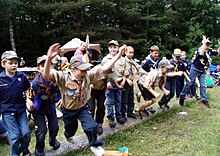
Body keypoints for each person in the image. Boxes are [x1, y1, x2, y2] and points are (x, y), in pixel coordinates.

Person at [42, 43, 127, 155]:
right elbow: (46, 76)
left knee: (91, 126)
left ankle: (94, 145)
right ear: (73, 69)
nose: (85, 72)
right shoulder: (64, 77)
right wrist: (48, 59)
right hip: (69, 111)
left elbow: (104, 68)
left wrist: (119, 55)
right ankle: (68, 135)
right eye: (82, 70)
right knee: (71, 130)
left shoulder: (88, 75)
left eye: (86, 69)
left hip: (82, 108)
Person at [0, 51, 34, 156]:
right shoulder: (0, 79)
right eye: (11, 63)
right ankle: (14, 154)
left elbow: (27, 88)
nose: (14, 65)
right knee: (15, 136)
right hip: (7, 112)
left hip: (21, 110)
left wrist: (28, 99)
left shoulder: (21, 76)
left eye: (16, 63)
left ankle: (25, 149)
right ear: (3, 64)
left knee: (26, 133)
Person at [30, 55, 61, 156]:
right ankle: (39, 148)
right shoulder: (35, 84)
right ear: (38, 69)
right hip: (38, 109)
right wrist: (32, 107)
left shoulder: (55, 80)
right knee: (42, 130)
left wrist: (61, 99)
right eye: (43, 66)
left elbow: (60, 91)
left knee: (54, 127)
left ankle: (53, 140)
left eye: (50, 64)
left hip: (50, 106)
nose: (47, 67)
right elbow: (32, 99)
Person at [179, 36, 220, 108]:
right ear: (203, 44)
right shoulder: (199, 50)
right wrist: (204, 43)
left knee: (203, 85)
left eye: (208, 45)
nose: (207, 46)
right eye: (206, 45)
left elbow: (218, 53)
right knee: (189, 83)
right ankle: (182, 95)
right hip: (195, 69)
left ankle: (204, 99)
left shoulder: (210, 51)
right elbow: (201, 54)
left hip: (202, 70)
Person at [102, 40, 126, 127]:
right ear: (108, 48)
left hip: (120, 82)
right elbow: (104, 73)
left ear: (118, 48)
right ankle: (111, 118)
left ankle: (119, 116)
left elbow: (124, 72)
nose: (112, 49)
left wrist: (123, 81)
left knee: (118, 100)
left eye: (114, 47)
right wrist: (107, 82)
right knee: (110, 101)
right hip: (110, 83)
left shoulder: (122, 59)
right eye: (111, 47)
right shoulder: (105, 59)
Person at [121, 46, 147, 119]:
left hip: (131, 82)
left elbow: (139, 68)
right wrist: (126, 79)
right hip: (125, 82)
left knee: (131, 98)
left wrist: (147, 74)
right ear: (125, 52)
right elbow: (120, 73)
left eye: (133, 53)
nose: (131, 54)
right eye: (130, 52)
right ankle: (123, 114)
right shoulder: (123, 61)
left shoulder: (133, 61)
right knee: (124, 99)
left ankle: (130, 112)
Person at [138, 45, 162, 114]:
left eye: (158, 53)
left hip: (152, 79)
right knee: (149, 97)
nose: (157, 55)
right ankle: (143, 108)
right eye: (155, 53)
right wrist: (147, 75)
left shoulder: (158, 59)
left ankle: (139, 95)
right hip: (146, 80)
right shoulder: (146, 61)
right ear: (150, 52)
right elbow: (140, 70)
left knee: (151, 95)